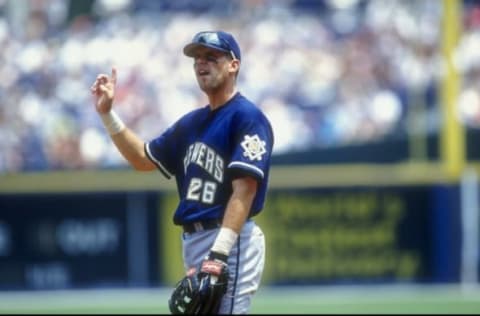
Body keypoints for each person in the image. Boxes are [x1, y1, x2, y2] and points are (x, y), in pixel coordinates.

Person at [90, 30, 274, 314]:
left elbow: (245, 189)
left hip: (231, 242)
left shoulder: (247, 117)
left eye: (211, 57)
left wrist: (220, 252)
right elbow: (142, 159)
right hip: (194, 242)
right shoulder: (190, 124)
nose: (201, 63)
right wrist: (107, 114)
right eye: (197, 59)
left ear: (233, 65)